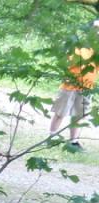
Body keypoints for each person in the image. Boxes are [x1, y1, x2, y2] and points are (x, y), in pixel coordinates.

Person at [50, 22, 99, 151]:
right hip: (70, 86)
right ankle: (52, 137)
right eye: (96, 29)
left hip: (87, 88)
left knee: (79, 115)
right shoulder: (79, 46)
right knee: (61, 112)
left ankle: (74, 142)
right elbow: (67, 62)